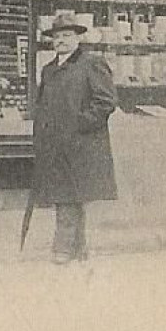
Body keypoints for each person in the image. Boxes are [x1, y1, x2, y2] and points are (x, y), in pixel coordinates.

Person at [31, 19, 118, 263]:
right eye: (56, 36)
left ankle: (62, 248)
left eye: (67, 35)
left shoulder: (91, 64)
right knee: (69, 196)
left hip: (82, 144)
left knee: (69, 196)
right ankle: (78, 249)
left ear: (77, 38)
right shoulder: (49, 69)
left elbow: (106, 101)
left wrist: (79, 124)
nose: (61, 40)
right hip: (56, 144)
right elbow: (43, 105)